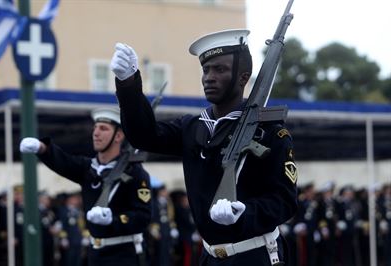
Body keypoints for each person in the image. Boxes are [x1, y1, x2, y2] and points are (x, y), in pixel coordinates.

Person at [110, 29, 298, 265]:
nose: (209, 77)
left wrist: (246, 212)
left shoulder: (270, 131)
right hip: (209, 256)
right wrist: (128, 86)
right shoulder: (193, 127)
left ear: (243, 77)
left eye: (220, 69)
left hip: (255, 256)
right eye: (206, 69)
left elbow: (285, 200)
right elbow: (144, 136)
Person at [19, 107, 152, 266]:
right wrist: (42, 148)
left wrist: (113, 219)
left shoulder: (135, 173)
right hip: (95, 253)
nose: (96, 133)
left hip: (125, 254)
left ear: (118, 136)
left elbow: (143, 216)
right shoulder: (89, 168)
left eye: (103, 128)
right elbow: (64, 162)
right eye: (95, 128)